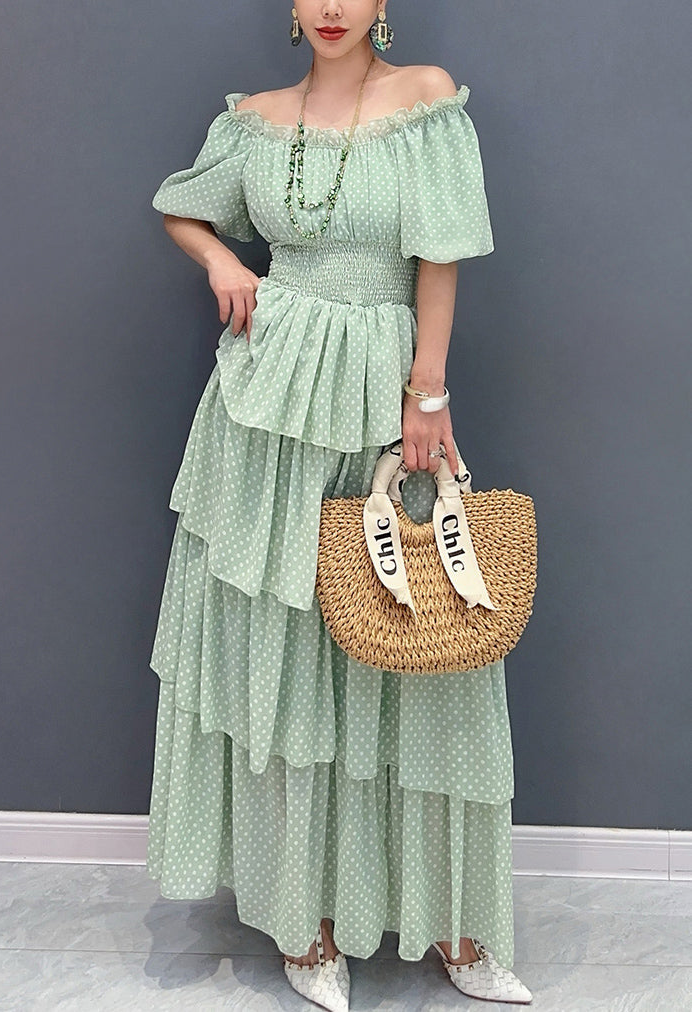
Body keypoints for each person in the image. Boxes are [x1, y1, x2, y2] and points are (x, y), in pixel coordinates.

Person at [146, 1, 533, 1008]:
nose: (330, 7)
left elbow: (439, 254)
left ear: (380, 5)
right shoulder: (252, 120)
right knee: (286, 652)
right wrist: (223, 259)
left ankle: (455, 922)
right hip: (264, 403)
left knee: (413, 633)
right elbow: (180, 206)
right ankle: (305, 920)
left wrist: (427, 391)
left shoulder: (424, 102)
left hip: (382, 386)